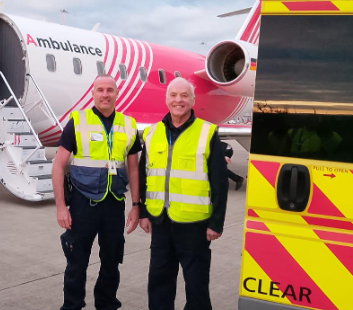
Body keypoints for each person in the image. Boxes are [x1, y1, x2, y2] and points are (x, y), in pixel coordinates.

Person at [52, 75, 142, 310]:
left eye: (110, 90)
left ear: (116, 94)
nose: (105, 94)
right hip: (83, 204)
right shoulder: (77, 122)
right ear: (93, 93)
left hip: (114, 203)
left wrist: (136, 205)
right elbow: (58, 165)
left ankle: (106, 304)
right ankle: (72, 305)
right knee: (76, 261)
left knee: (112, 260)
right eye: (100, 90)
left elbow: (133, 168)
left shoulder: (129, 125)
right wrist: (61, 207)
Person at [138, 78, 228, 310]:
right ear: (166, 99)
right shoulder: (151, 133)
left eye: (184, 95)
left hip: (195, 223)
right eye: (174, 95)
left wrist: (216, 222)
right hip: (160, 220)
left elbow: (219, 182)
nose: (178, 100)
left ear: (193, 100)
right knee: (159, 281)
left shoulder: (207, 133)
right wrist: (144, 213)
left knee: (196, 285)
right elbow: (144, 176)